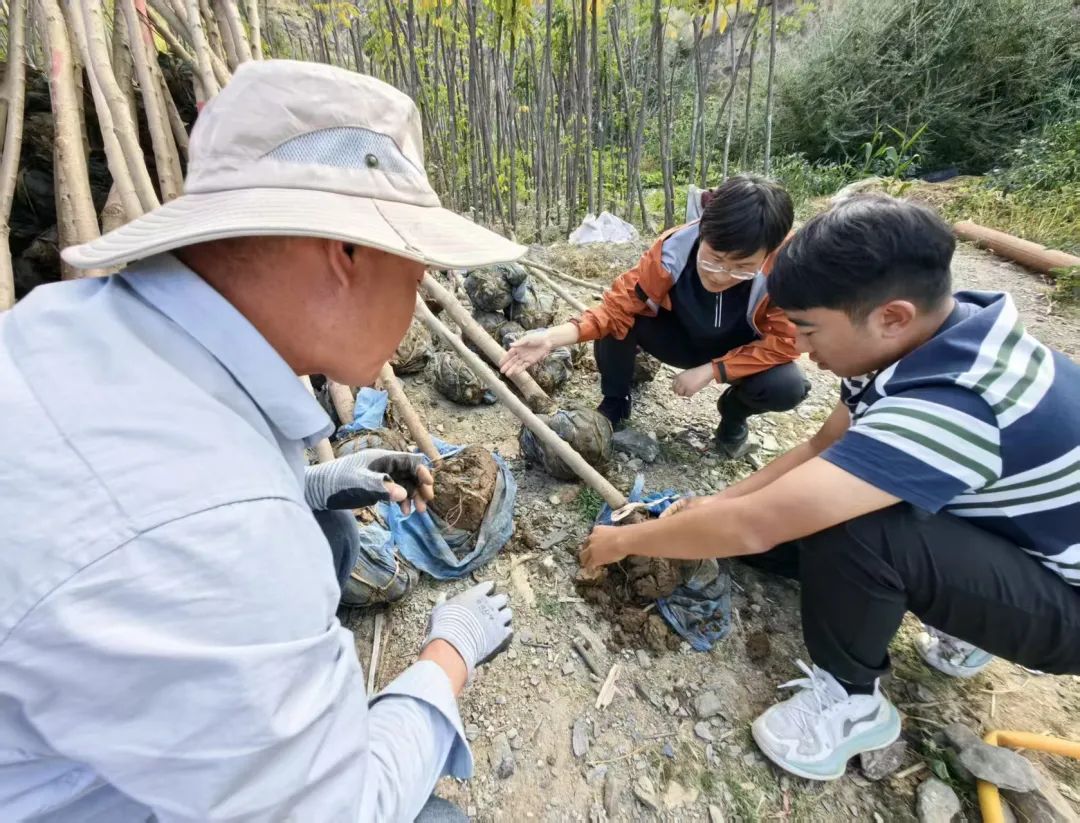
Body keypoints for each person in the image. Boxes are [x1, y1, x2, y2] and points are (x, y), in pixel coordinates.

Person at [0, 61, 519, 822]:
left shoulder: (69, 325)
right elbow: (346, 809)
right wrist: (447, 658)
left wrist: (309, 484)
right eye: (419, 271)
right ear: (346, 254)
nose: (418, 297)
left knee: (331, 526)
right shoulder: (226, 541)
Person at [577, 195, 1080, 781]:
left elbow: (760, 523)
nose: (802, 350)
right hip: (1026, 545)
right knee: (785, 523)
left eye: (810, 329)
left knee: (855, 527)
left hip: (1066, 607)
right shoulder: (932, 336)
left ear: (891, 315)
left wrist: (625, 542)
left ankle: (852, 701)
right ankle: (964, 614)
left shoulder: (955, 402)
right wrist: (718, 503)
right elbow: (820, 447)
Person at [501, 175, 809, 458]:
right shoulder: (672, 251)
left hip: (735, 350)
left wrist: (713, 370)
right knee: (619, 322)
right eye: (713, 259)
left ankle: (733, 415)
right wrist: (550, 338)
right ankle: (616, 401)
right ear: (703, 230)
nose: (721, 276)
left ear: (768, 254)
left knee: (788, 385)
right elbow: (615, 307)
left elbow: (784, 342)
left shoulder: (785, 272)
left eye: (742, 268)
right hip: (677, 338)